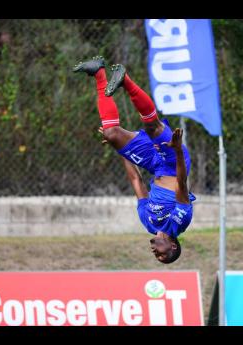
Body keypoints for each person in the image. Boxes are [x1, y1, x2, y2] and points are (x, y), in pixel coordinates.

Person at [73, 56, 196, 264]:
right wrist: (176, 151)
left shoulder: (148, 222)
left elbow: (137, 182)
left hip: (154, 166)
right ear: (173, 245)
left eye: (156, 256)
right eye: (162, 254)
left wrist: (121, 150)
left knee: (111, 134)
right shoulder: (179, 223)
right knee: (153, 127)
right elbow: (182, 184)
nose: (156, 253)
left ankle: (99, 73)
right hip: (174, 163)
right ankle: (125, 80)